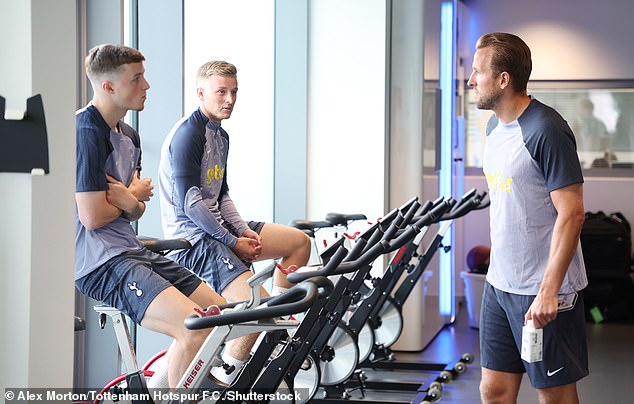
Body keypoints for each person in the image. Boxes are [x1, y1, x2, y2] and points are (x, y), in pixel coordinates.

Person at [75, 44, 227, 388]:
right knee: (193, 326)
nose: (146, 86)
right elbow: (92, 216)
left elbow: (139, 208)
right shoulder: (86, 130)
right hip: (100, 262)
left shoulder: (130, 135)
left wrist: (129, 198)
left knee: (221, 316)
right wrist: (129, 199)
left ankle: (161, 391)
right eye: (137, 78)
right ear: (108, 86)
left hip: (131, 249)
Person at [157, 60, 311, 382]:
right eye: (221, 92)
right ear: (201, 93)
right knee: (258, 310)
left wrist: (242, 231)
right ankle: (228, 376)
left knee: (299, 242)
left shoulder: (221, 136)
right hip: (195, 240)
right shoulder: (189, 134)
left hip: (221, 230)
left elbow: (222, 194)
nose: (229, 99)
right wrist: (232, 241)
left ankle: (280, 333)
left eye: (234, 92)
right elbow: (192, 203)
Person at [467, 32, 589, 404]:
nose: (471, 81)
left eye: (477, 72)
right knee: (494, 389)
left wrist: (548, 290)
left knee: (552, 393)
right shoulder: (493, 128)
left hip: (544, 289)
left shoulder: (546, 129)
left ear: (503, 79)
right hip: (500, 285)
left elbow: (572, 213)